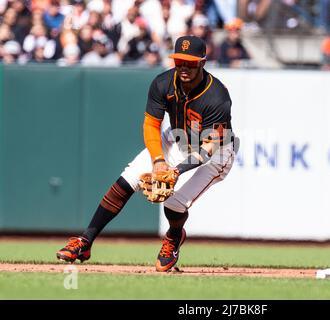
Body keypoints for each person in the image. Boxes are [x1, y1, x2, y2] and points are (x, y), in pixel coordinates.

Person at [57, 35, 238, 272]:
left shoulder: (217, 97)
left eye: (190, 62)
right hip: (177, 138)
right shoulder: (163, 83)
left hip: (216, 155)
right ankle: (85, 242)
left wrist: (176, 170)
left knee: (174, 204)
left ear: (202, 63)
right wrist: (159, 161)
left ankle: (173, 238)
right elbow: (151, 125)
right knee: (127, 180)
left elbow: (208, 148)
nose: (183, 67)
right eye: (179, 61)